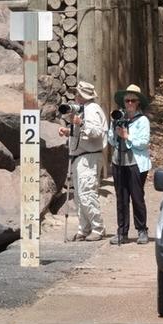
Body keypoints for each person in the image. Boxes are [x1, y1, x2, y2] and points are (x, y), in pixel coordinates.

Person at [58, 81, 108, 242]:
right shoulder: (84, 109)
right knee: (80, 196)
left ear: (84, 96)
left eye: (78, 94)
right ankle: (84, 228)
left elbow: (96, 132)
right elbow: (84, 134)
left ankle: (98, 228)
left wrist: (81, 123)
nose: (76, 96)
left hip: (89, 157)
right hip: (81, 156)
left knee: (87, 193)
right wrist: (69, 131)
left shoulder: (92, 109)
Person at [108, 84, 152, 245]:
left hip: (136, 163)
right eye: (127, 101)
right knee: (121, 198)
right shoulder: (118, 117)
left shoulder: (142, 121)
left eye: (133, 100)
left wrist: (127, 136)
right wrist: (116, 131)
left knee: (137, 197)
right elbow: (110, 140)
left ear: (138, 102)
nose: (130, 104)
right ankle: (122, 232)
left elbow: (143, 143)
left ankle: (142, 230)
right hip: (119, 161)